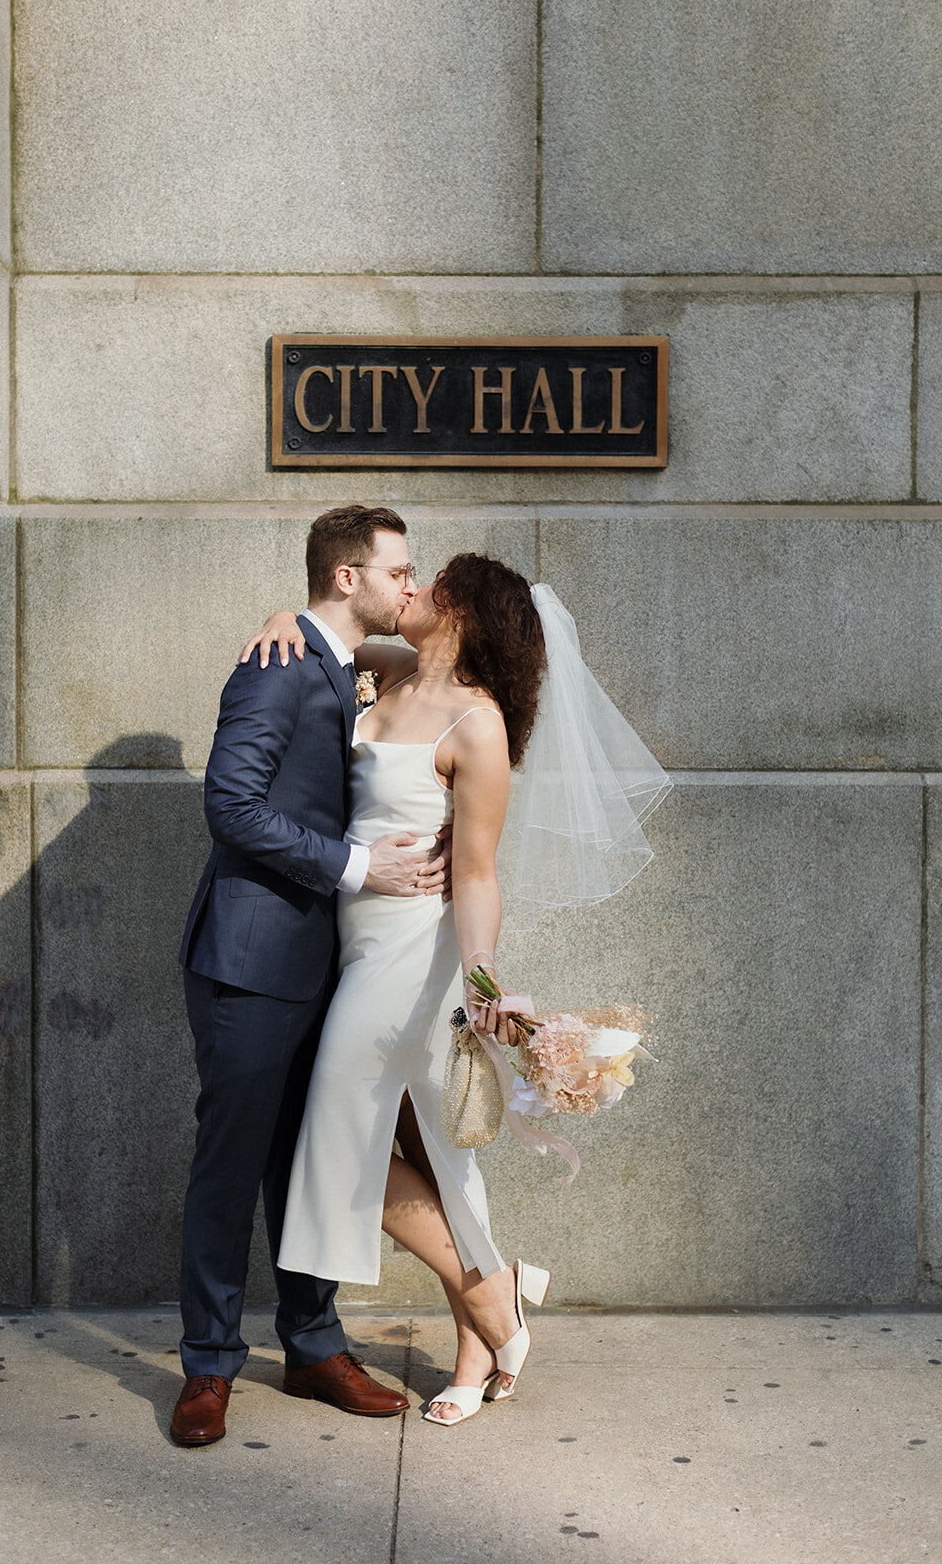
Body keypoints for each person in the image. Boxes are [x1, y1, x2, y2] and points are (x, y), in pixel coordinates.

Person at [242, 553, 552, 1425]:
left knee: (332, 1140)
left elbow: (479, 873)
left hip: (416, 955)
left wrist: (486, 981)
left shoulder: (477, 723)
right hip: (352, 939)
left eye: (426, 582)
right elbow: (320, 640)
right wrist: (279, 618)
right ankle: (480, 1332)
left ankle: (489, 1293)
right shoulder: (388, 672)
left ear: (460, 611)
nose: (405, 591)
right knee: (437, 1152)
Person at [171, 505, 452, 1448]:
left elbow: (434, 668)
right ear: (347, 579)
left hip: (330, 964)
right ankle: (207, 1365)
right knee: (232, 1163)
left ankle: (311, 1345)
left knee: (312, 1162)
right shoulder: (275, 667)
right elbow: (230, 804)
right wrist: (355, 867)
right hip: (250, 965)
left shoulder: (332, 660)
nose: (410, 585)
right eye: (398, 571)